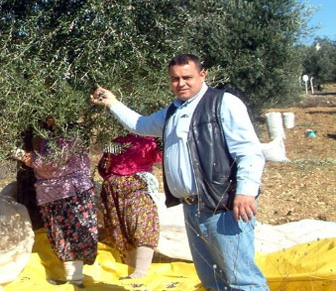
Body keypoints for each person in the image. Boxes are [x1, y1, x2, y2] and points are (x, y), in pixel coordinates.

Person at [90, 54, 268, 290]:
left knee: (242, 280)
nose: (181, 83)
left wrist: (246, 191)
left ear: (202, 75)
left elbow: (249, 151)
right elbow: (140, 125)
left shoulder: (223, 103)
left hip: (222, 205)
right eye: (175, 79)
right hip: (192, 208)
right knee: (212, 280)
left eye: (187, 77)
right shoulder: (173, 111)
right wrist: (113, 103)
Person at [20, 119, 98, 288]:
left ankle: (75, 280)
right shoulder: (46, 136)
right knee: (60, 236)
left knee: (74, 235)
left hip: (73, 192)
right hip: (52, 195)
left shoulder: (70, 135)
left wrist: (30, 159)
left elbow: (54, 161)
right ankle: (74, 279)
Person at [97, 134, 162, 279]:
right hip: (114, 190)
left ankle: (140, 272)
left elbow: (160, 156)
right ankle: (133, 272)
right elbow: (104, 164)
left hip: (136, 186)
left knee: (142, 224)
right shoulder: (116, 140)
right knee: (122, 230)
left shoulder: (149, 141)